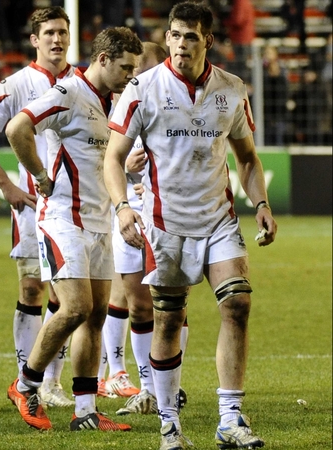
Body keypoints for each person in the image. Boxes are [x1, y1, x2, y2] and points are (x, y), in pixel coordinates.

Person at [104, 3, 275, 448]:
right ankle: (169, 425)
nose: (181, 45)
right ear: (168, 37)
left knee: (237, 304)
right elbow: (113, 158)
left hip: (218, 220)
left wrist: (260, 202)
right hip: (165, 225)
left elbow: (247, 159)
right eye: (175, 35)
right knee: (168, 322)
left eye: (191, 37)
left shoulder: (232, 89)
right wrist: (122, 207)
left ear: (208, 41)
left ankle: (230, 420)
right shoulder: (142, 88)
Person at [5, 26, 141, 432]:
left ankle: (85, 412)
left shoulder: (113, 100)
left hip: (99, 221)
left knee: (96, 316)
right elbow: (17, 128)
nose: (130, 76)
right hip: (63, 218)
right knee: (76, 307)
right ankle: (25, 385)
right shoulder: (68, 92)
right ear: (103, 59)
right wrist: (39, 175)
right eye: (125, 68)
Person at [0, 6, 76, 409]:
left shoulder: (83, 83)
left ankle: (52, 383)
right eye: (49, 33)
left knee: (68, 296)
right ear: (34, 40)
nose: (57, 39)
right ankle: (25, 380)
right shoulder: (14, 86)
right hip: (32, 205)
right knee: (31, 287)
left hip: (76, 205)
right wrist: (7, 186)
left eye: (62, 32)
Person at [99, 42, 191, 415]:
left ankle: (171, 386)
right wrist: (125, 175)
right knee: (137, 304)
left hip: (167, 214)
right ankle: (147, 389)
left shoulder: (176, 105)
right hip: (126, 214)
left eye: (139, 69)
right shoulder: (113, 105)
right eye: (130, 70)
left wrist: (155, 179)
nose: (132, 76)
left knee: (172, 305)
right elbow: (103, 161)